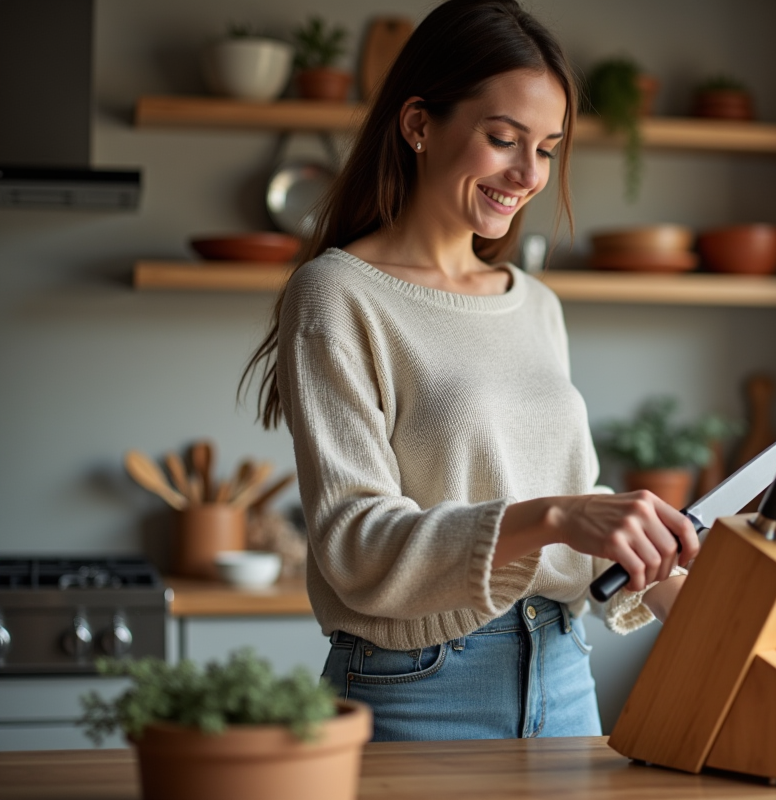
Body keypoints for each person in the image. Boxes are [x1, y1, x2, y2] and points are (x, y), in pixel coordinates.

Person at [241, 0, 697, 742]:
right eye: (503, 139)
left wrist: (679, 585)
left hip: (563, 672)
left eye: (547, 148)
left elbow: (571, 504)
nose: (528, 174)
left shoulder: (536, 304)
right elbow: (355, 544)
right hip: (419, 687)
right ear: (419, 124)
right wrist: (556, 516)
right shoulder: (337, 294)